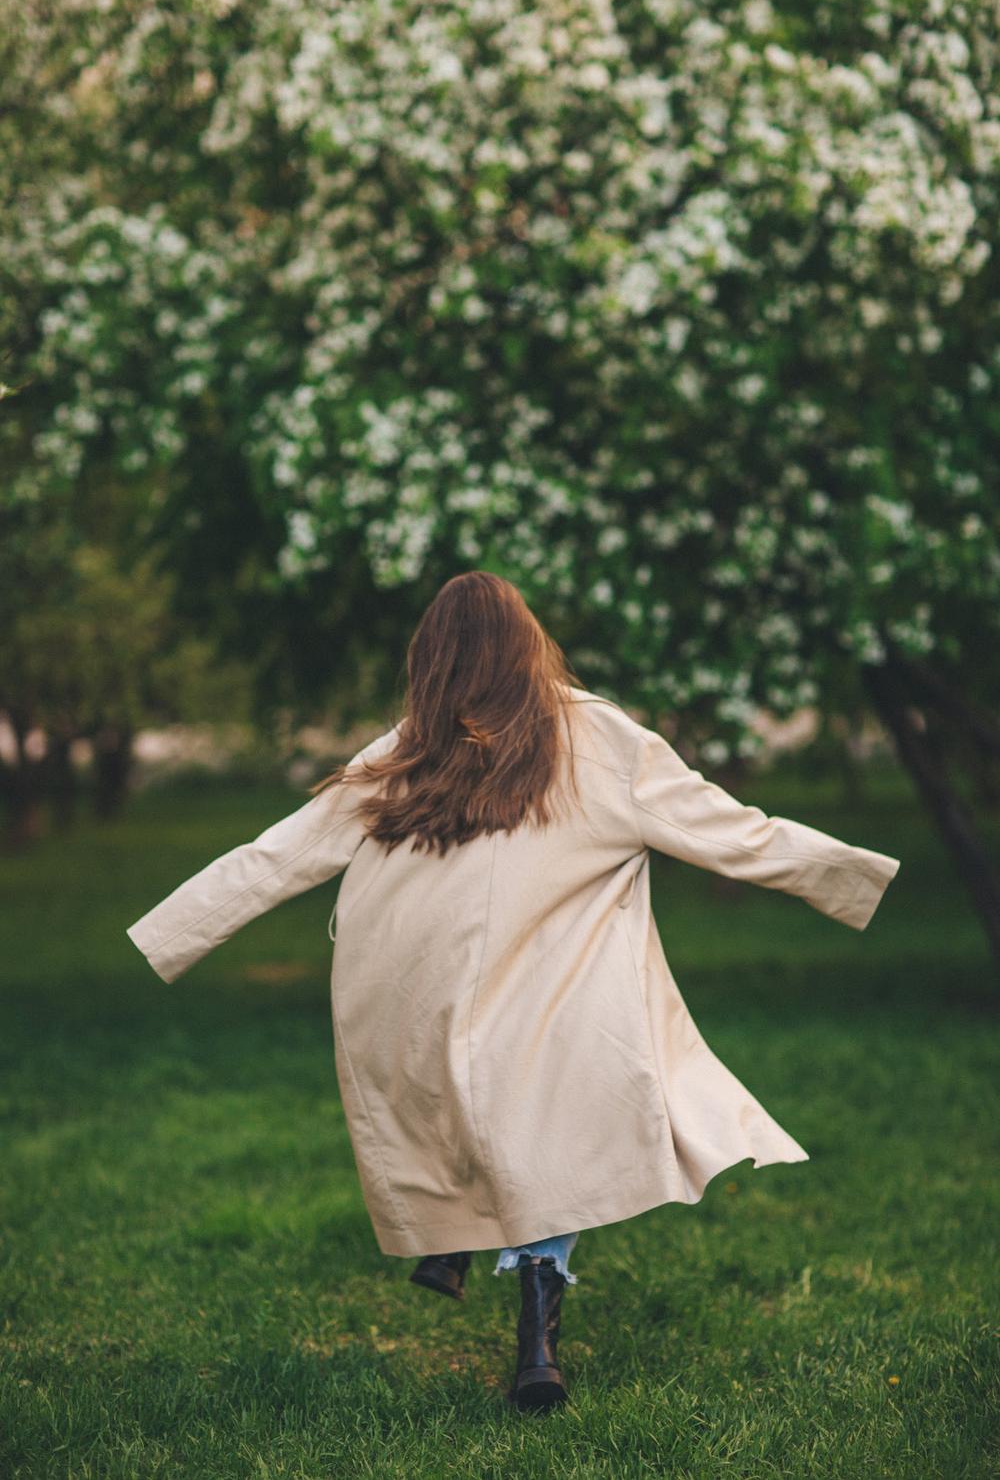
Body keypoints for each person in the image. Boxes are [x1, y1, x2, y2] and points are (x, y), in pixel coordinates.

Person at [126, 571, 901, 1413]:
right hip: (540, 999)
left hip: (409, 994)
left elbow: (273, 856)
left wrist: (168, 936)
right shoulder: (595, 739)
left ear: (431, 661)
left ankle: (456, 1242)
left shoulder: (398, 754)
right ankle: (536, 1329)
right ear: (531, 645)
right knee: (549, 1106)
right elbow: (734, 833)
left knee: (484, 1079)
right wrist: (859, 881)